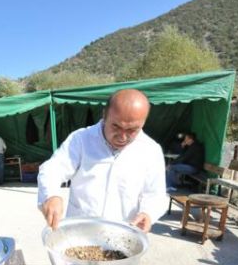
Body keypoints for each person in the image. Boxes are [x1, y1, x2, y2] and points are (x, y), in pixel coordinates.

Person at [38, 89, 167, 233]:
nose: (122, 137)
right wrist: (51, 195)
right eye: (116, 126)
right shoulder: (81, 139)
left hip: (122, 237)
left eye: (132, 130)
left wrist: (148, 213)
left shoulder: (151, 150)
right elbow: (53, 169)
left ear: (143, 122)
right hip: (79, 233)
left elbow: (156, 194)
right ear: (104, 115)